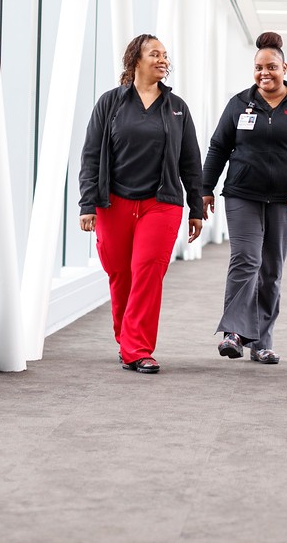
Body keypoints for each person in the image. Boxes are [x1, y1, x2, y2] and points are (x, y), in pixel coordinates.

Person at [78, 35, 204, 375]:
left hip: (161, 203)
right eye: (154, 54)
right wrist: (87, 202)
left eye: (165, 55)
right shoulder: (110, 103)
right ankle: (126, 339)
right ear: (136, 60)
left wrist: (196, 207)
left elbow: (191, 162)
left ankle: (138, 348)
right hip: (113, 202)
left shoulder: (176, 107)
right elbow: (90, 156)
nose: (163, 59)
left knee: (148, 272)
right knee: (120, 273)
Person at [202, 32, 287, 365]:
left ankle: (262, 341)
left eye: (271, 66)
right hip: (242, 194)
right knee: (246, 259)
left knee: (271, 270)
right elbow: (218, 147)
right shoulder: (240, 103)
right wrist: (204, 188)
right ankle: (234, 333)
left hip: (286, 200)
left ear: (285, 67)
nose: (264, 73)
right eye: (258, 67)